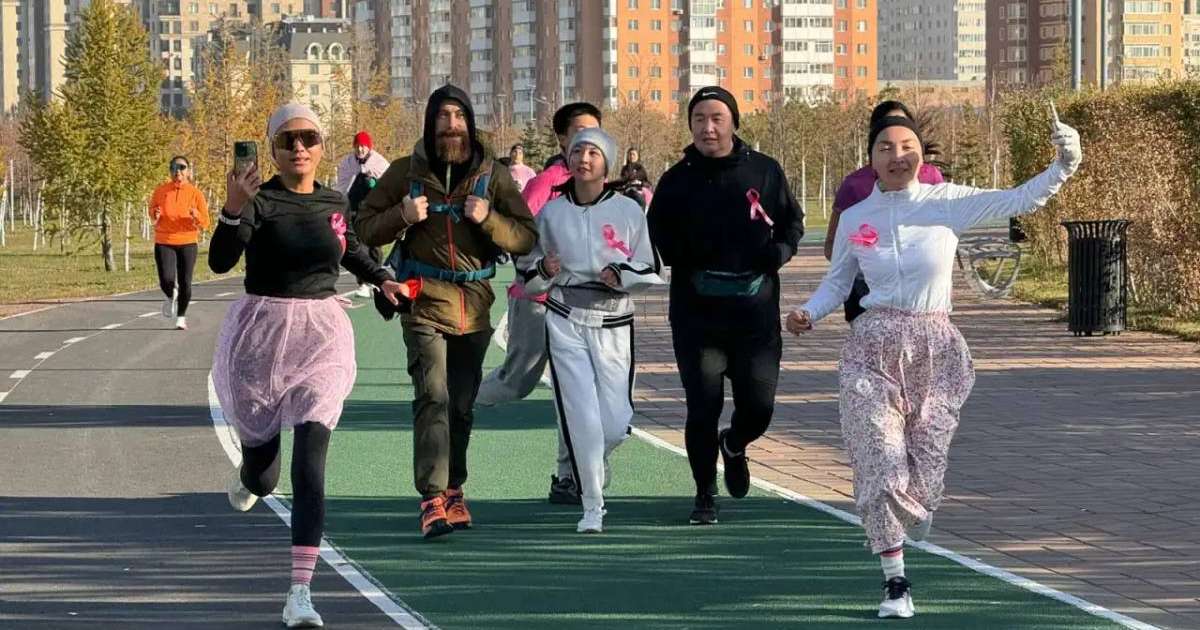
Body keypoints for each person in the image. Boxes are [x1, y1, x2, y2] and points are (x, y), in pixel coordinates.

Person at [786, 112, 1082, 619]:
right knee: (879, 460)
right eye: (885, 147)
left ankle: (915, 511)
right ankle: (895, 583)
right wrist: (807, 314)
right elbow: (838, 283)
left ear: (921, 155)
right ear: (871, 159)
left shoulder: (948, 203)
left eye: (907, 146)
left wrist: (1065, 162)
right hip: (872, 348)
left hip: (935, 349)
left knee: (925, 468)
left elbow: (1018, 198)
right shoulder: (858, 219)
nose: (897, 155)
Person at [210, 103, 413, 628]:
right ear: (273, 149)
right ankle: (252, 477)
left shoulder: (334, 200)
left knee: (311, 462)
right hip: (261, 334)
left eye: (309, 138)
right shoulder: (260, 200)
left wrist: (384, 278)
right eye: (288, 140)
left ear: (324, 146)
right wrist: (233, 210)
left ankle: (300, 591)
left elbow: (355, 252)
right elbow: (219, 260)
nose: (299, 147)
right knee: (266, 471)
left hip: (322, 336)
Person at [354, 84, 537, 539]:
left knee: (460, 405)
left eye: (458, 116)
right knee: (431, 395)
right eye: (443, 117)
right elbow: (362, 229)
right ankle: (432, 498)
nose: (451, 125)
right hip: (424, 302)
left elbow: (525, 237)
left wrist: (488, 218)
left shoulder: (493, 176)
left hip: (474, 308)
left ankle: (455, 488)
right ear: (431, 123)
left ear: (470, 124)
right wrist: (401, 215)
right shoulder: (404, 173)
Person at [647, 87, 804, 525]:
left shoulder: (765, 171)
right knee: (703, 404)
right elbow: (655, 232)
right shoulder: (676, 179)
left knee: (759, 406)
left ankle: (734, 444)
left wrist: (780, 253)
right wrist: (684, 249)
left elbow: (792, 222)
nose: (708, 127)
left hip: (755, 313)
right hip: (698, 314)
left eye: (717, 117)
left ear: (734, 121)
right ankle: (703, 493)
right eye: (699, 118)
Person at [520, 128, 664, 533]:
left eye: (593, 152)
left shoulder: (629, 210)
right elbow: (528, 273)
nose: (584, 158)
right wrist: (543, 271)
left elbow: (652, 267)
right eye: (577, 150)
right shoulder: (550, 213)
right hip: (565, 318)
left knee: (615, 421)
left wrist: (621, 273)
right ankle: (592, 507)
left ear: (608, 163)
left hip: (615, 320)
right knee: (579, 415)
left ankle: (595, 462)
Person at [475, 102, 603, 505]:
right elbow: (517, 237)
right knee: (518, 382)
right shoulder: (544, 184)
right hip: (536, 301)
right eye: (579, 134)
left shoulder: (605, 188)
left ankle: (568, 477)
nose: (587, 143)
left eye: (595, 133)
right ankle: (456, 402)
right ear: (563, 139)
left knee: (575, 389)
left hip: (580, 305)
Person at [825, 101, 944, 323]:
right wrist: (867, 263)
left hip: (919, 293)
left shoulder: (932, 178)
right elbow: (832, 246)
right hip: (865, 290)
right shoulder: (854, 185)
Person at [148, 156, 209, 330]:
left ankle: (181, 317)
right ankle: (170, 294)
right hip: (164, 240)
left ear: (188, 171)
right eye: (174, 168)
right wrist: (155, 214)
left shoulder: (195, 193)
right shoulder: (161, 191)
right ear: (170, 171)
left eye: (182, 168)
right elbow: (152, 212)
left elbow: (205, 222)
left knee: (185, 282)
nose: (178, 172)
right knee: (166, 279)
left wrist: (195, 215)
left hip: (188, 241)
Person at [336, 131, 391, 298]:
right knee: (359, 247)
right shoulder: (347, 163)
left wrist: (375, 183)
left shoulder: (379, 162)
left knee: (374, 247)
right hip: (353, 209)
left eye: (363, 146)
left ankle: (377, 279)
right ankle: (363, 283)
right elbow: (342, 185)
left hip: (373, 210)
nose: (360, 149)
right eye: (357, 146)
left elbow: (389, 183)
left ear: (369, 147)